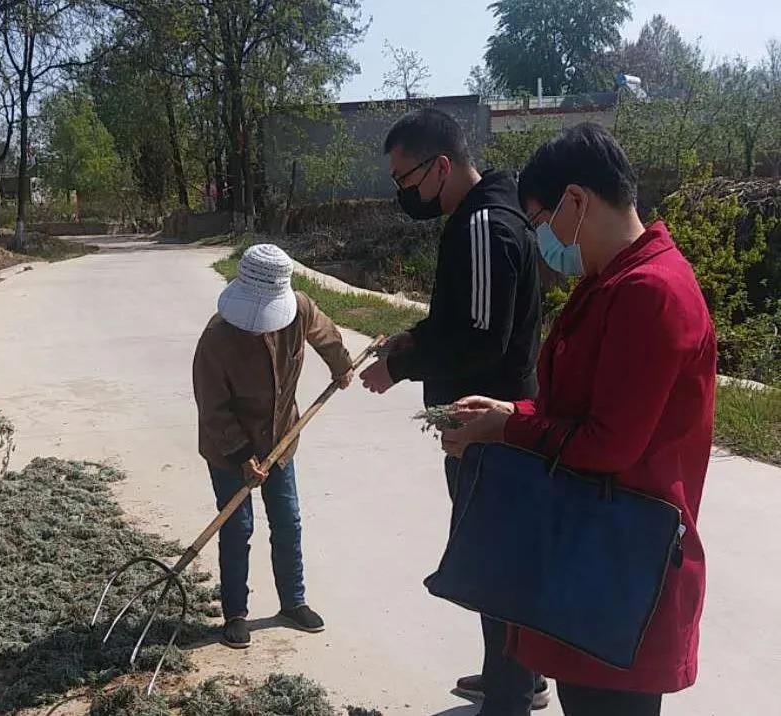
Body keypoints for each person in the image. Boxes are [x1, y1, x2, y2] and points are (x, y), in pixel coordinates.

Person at [442, 123, 715, 716]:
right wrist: (511, 409)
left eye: (540, 222)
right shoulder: (608, 283)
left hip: (623, 571)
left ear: (576, 200)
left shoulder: (652, 293)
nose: (544, 238)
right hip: (589, 561)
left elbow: (607, 445)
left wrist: (507, 431)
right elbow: (575, 408)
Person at [359, 108, 546, 712]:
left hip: (489, 426)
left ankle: (512, 693)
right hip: (475, 421)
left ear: (441, 166)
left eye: (406, 179)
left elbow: (481, 338)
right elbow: (459, 318)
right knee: (495, 555)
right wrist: (412, 338)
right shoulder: (474, 215)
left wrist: (400, 367)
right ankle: (515, 676)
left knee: (494, 563)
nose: (402, 193)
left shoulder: (486, 225)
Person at [192, 243, 354, 649]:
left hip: (282, 438)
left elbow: (326, 334)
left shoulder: (298, 309)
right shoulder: (216, 339)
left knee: (288, 520)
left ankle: (293, 602)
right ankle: (235, 612)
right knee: (237, 526)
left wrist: (342, 365)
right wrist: (242, 456)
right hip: (228, 449)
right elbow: (213, 409)